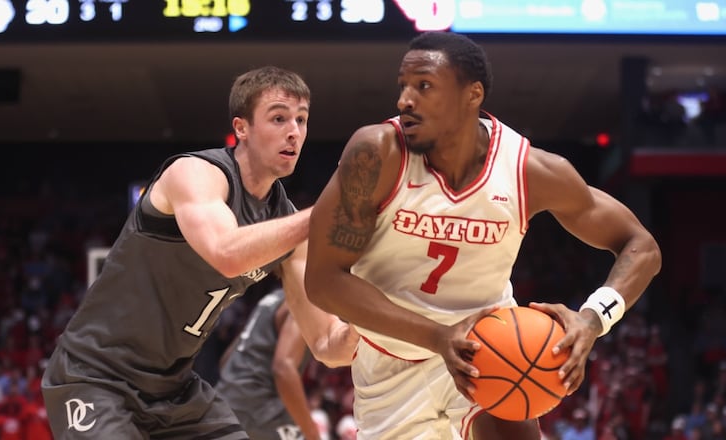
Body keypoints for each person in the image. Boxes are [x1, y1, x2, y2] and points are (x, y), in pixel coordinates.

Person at [304, 31, 661, 439]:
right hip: (392, 360)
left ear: (472, 95)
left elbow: (641, 247)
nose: (405, 100)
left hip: (490, 353)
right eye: (403, 86)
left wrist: (592, 319)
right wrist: (438, 338)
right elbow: (323, 280)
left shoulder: (529, 171)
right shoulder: (376, 154)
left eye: (424, 86)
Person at [41, 66, 358, 439]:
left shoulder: (291, 228)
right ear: (242, 128)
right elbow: (226, 254)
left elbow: (326, 348)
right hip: (96, 375)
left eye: (302, 120)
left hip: (173, 390)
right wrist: (327, 215)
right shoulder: (194, 173)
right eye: (278, 118)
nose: (294, 131)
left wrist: (368, 322)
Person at [214, 284, 322, 440]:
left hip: (225, 396)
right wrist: (312, 433)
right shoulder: (305, 302)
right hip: (260, 407)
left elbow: (227, 357)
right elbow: (283, 369)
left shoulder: (272, 298)